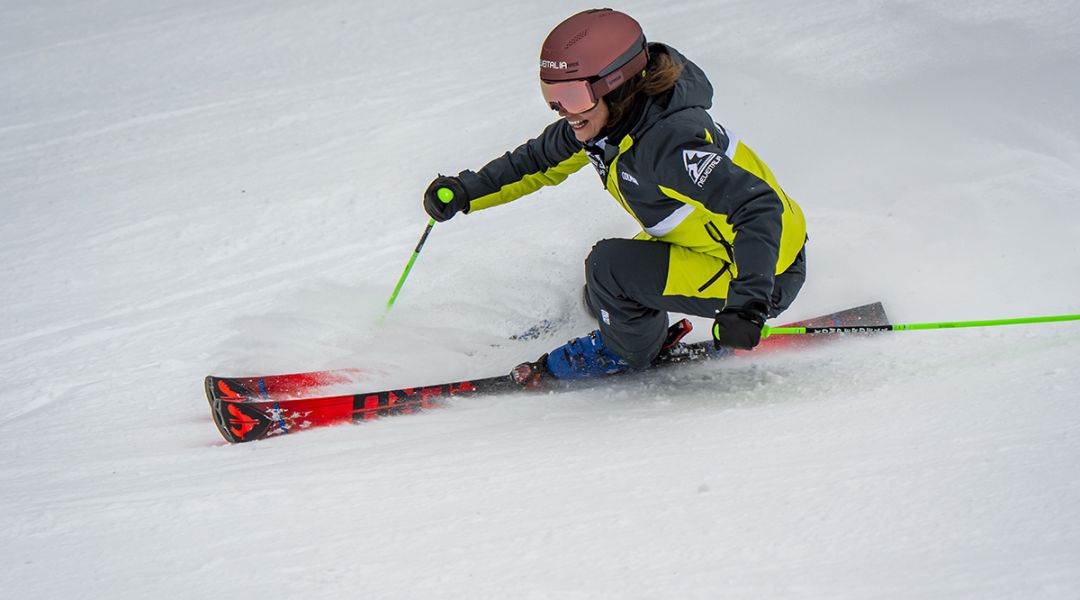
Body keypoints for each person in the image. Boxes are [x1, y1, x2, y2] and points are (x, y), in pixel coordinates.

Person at [423, 8, 807, 382]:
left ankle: (626, 351)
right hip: (724, 247)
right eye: (552, 96)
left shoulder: (667, 145)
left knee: (608, 269)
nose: (563, 112)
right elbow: (536, 161)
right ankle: (623, 319)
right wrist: (464, 192)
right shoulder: (609, 124)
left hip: (762, 269)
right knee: (600, 293)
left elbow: (757, 205)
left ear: (616, 85)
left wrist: (747, 305)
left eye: (572, 96)